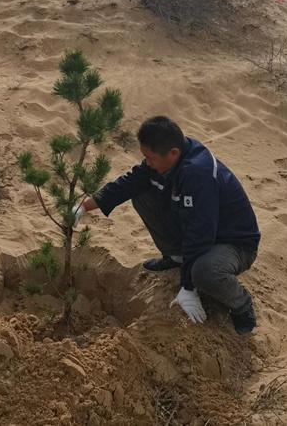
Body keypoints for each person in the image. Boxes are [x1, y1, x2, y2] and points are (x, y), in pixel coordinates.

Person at [73, 116, 260, 335]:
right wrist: (84, 206)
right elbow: (128, 183)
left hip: (234, 243)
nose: (147, 162)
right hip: (203, 227)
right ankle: (176, 257)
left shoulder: (197, 174)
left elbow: (200, 235)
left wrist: (188, 288)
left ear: (172, 153)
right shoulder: (167, 157)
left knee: (205, 272)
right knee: (141, 194)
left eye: (150, 158)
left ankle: (242, 305)